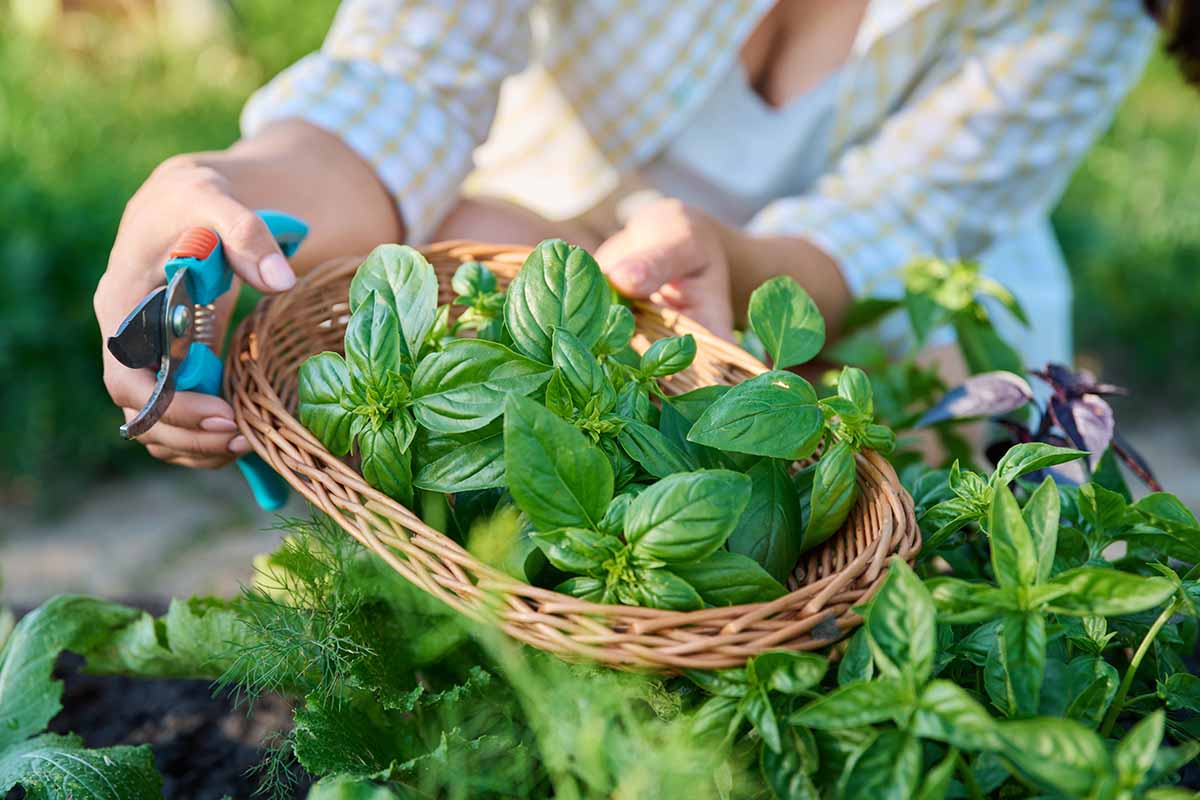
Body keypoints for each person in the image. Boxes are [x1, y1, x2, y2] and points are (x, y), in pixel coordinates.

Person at [94, 0, 1196, 470]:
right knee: (431, 273)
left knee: (927, 434)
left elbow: (891, 224)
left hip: (847, 306)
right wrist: (215, 193)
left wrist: (740, 266)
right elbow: (400, 84)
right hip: (541, 236)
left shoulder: (1089, 13)